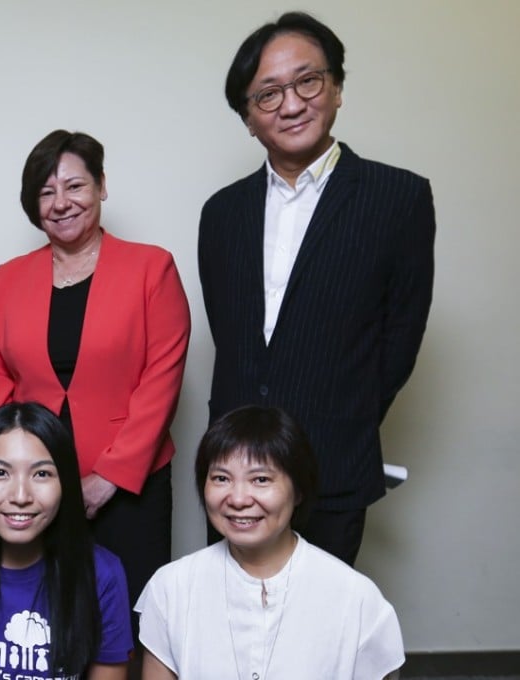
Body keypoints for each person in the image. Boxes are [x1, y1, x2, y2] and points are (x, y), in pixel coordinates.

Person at [198, 11, 436, 565]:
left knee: (320, 636)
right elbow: (233, 337)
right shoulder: (222, 212)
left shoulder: (397, 199)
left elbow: (400, 337)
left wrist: (345, 415)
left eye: (308, 81)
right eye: (268, 94)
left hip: (334, 459)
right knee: (231, 630)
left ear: (336, 89)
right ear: (248, 118)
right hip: (233, 470)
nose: (291, 103)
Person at [0, 130, 190, 611]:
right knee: (42, 613)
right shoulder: (7, 279)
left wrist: (110, 476)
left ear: (102, 186)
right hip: (32, 481)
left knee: (130, 615)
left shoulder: (151, 268)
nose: (61, 202)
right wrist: (15, 467)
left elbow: (162, 378)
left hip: (132, 481)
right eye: (46, 192)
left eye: (74, 186)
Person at [136, 405, 404, 679]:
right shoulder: (172, 587)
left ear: (298, 489)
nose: (238, 499)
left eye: (260, 479)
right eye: (221, 478)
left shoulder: (356, 599)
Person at [0, 402, 132, 680]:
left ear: (65, 484)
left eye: (41, 474)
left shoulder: (102, 574)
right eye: (0, 473)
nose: (20, 495)